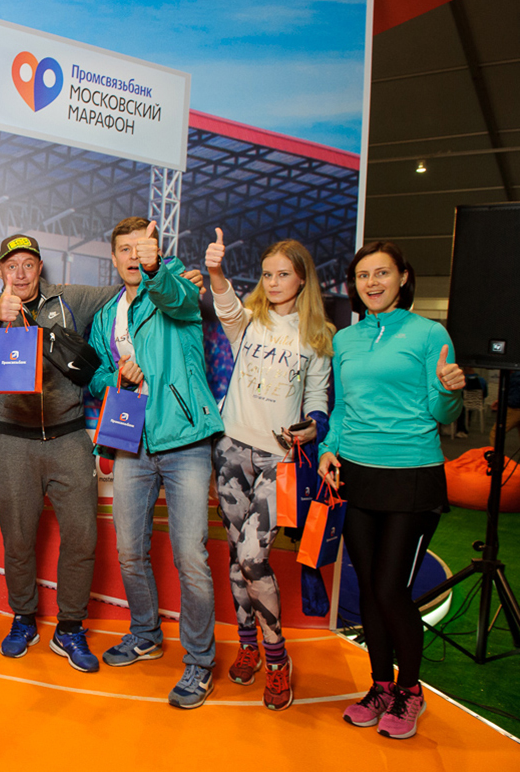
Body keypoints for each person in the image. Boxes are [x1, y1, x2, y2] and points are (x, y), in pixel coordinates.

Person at [319, 241, 464, 740]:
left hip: (412, 477)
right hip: (358, 476)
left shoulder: (429, 334)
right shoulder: (346, 339)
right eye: (363, 275)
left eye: (382, 273)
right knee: (368, 588)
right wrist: (329, 448)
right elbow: (342, 408)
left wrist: (449, 389)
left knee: (389, 589)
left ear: (403, 277)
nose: (372, 283)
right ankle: (380, 686)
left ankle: (410, 691)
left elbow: (443, 413)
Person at [0, 235, 124, 675]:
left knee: (82, 537)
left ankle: (70, 627)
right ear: (0, 270)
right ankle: (23, 618)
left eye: (28, 264)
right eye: (11, 265)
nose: (20, 273)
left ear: (40, 268)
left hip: (69, 437)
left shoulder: (69, 299)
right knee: (17, 538)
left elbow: (122, 291)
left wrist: (164, 276)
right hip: (15, 442)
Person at [86, 217, 224, 708]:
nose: (132, 256)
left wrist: (156, 269)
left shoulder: (175, 281)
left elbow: (181, 302)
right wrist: (117, 378)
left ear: (154, 251)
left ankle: (200, 661)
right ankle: (145, 633)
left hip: (184, 437)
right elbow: (98, 373)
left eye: (140, 248)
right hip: (131, 439)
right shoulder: (108, 314)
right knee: (129, 549)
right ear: (113, 257)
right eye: (123, 249)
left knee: (190, 555)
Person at [204, 232, 334, 710]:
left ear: (302, 279)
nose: (274, 282)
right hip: (231, 450)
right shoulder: (250, 320)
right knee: (236, 556)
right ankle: (248, 646)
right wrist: (216, 272)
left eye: (284, 274)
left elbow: (317, 398)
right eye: (267, 274)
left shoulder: (318, 335)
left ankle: (277, 659)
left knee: (253, 557)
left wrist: (313, 425)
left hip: (278, 461)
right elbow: (225, 305)